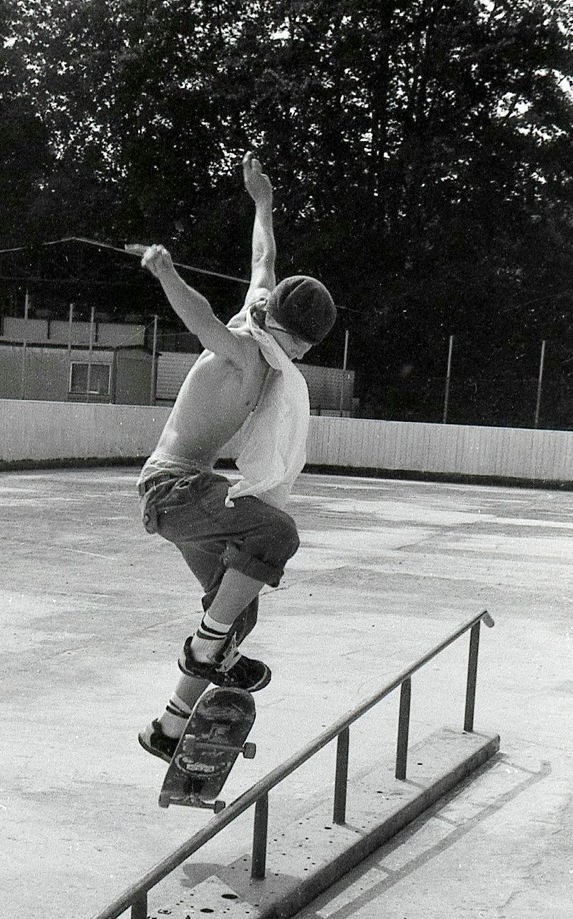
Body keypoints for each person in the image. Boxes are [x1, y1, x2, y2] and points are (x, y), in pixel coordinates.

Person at [137, 150, 337, 762]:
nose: (299, 360)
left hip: (190, 496)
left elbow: (263, 259)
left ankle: (167, 728)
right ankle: (206, 646)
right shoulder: (250, 351)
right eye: (305, 349)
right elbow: (200, 322)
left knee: (238, 607)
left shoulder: (260, 310)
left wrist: (263, 203)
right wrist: (165, 272)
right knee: (276, 532)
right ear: (298, 338)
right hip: (173, 489)